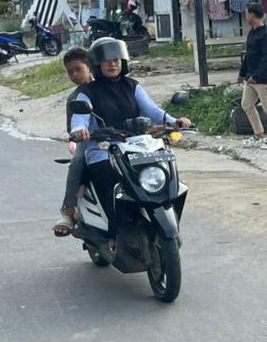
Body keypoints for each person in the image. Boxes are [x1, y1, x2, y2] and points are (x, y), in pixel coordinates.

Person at [70, 38, 193, 227]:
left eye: (116, 60)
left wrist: (175, 122)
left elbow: (154, 112)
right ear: (97, 64)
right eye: (107, 61)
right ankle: (114, 230)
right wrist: (80, 130)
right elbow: (80, 118)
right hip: (103, 149)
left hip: (135, 146)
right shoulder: (88, 92)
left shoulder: (132, 86)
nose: (113, 64)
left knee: (165, 168)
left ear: (123, 62)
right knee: (106, 175)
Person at [52, 48, 95, 236]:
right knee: (77, 162)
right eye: (70, 71)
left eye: (78, 69)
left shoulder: (108, 87)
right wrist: (79, 134)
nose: (74, 75)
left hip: (119, 139)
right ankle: (69, 210)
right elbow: (72, 129)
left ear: (90, 67)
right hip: (90, 143)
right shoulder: (74, 98)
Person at [239, 2, 267, 149]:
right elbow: (248, 55)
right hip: (249, 77)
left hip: (263, 78)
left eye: (246, 14)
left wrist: (256, 76)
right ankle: (259, 134)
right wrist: (242, 73)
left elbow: (266, 59)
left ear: (252, 15)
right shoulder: (252, 32)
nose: (245, 16)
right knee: (246, 105)